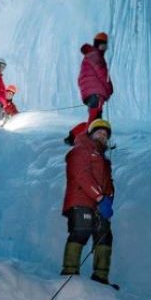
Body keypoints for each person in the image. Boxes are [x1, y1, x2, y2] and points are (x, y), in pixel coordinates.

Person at [61, 119, 117, 288]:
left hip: (98, 203)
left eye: (106, 134)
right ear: (90, 134)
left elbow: (108, 183)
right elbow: (81, 175)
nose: (103, 135)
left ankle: (101, 277)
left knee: (105, 236)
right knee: (81, 230)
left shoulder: (102, 158)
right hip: (81, 199)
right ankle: (69, 272)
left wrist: (108, 199)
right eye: (99, 132)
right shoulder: (82, 149)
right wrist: (100, 197)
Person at [77, 32, 113, 123]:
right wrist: (109, 88)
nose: (104, 48)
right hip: (95, 92)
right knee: (95, 117)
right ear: (97, 45)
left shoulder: (90, 55)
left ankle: (74, 134)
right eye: (102, 45)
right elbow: (103, 74)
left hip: (90, 92)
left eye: (105, 46)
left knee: (95, 117)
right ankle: (87, 135)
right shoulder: (95, 56)